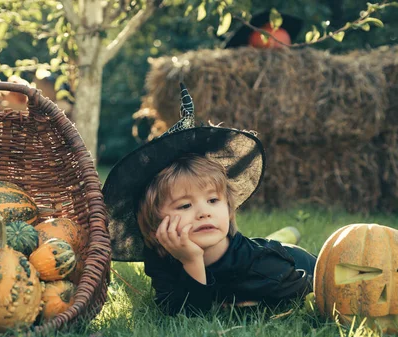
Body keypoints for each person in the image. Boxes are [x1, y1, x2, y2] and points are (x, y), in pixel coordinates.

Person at [102, 83, 316, 316]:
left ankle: (291, 236)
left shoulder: (259, 267)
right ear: (155, 223)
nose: (204, 212)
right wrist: (192, 260)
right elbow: (182, 314)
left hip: (299, 263)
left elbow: (312, 290)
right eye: (185, 205)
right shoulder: (161, 257)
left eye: (213, 201)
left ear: (228, 208)